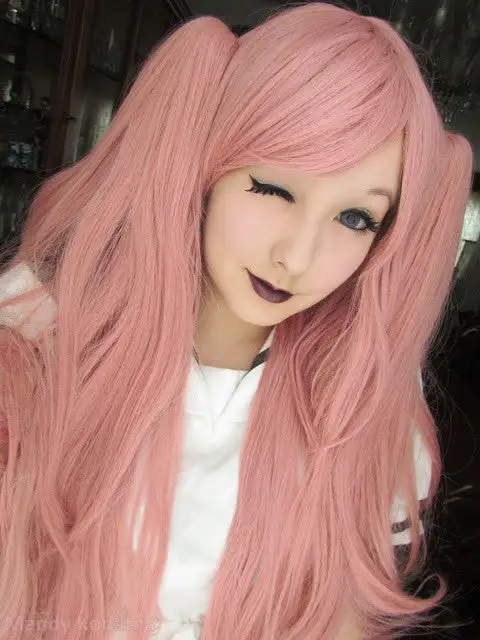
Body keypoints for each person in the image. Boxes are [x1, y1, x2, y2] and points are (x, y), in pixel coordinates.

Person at [0, 3, 473, 639]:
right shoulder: (41, 329)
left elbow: (345, 611)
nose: (297, 256)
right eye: (273, 188)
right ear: (207, 168)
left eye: (355, 218)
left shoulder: (363, 388)